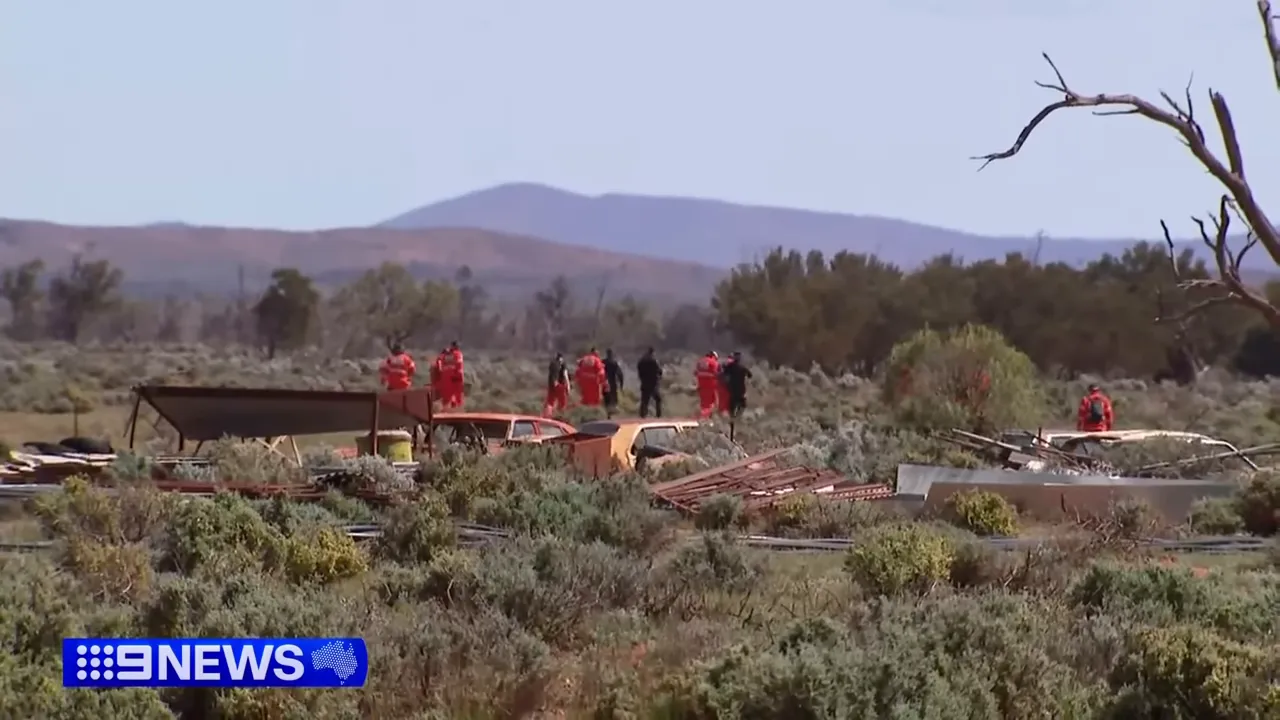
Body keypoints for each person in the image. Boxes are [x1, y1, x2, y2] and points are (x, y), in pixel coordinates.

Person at [720, 351, 753, 419]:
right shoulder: (742, 367)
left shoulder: (730, 367)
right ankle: (737, 416)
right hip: (741, 389)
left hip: (732, 389)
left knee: (732, 405)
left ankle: (732, 417)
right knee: (742, 405)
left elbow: (723, 373)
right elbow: (750, 375)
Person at [636, 347, 664, 418]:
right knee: (658, 399)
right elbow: (659, 371)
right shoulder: (654, 361)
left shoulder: (642, 361)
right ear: (653, 352)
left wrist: (641, 377)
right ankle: (658, 415)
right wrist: (659, 377)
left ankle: (642, 415)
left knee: (644, 400)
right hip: (653, 383)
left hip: (644, 382)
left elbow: (639, 369)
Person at [543, 352, 571, 417]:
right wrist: (568, 386)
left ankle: (547, 416)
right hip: (559, 385)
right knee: (562, 402)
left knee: (550, 402)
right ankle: (561, 415)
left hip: (551, 384)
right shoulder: (563, 364)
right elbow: (565, 375)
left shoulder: (552, 363)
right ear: (561, 358)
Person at [694, 351, 721, 419]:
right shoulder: (713, 362)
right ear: (713, 356)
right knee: (711, 403)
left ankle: (702, 416)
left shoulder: (700, 362)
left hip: (701, 385)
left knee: (703, 404)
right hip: (711, 385)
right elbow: (718, 373)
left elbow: (695, 372)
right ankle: (704, 417)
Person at [440, 341, 465, 408]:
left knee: (448, 394)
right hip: (457, 375)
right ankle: (458, 408)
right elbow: (459, 364)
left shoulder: (445, 354)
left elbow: (440, 363)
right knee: (458, 393)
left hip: (446, 376)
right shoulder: (458, 354)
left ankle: (448, 408)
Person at [603, 349, 624, 418]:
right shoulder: (614, 363)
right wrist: (621, 384)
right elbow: (620, 374)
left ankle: (607, 413)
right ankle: (612, 412)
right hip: (613, 382)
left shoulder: (603, 362)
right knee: (614, 398)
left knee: (606, 398)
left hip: (605, 382)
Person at [716, 351, 735, 415]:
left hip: (721, 383)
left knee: (722, 398)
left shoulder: (720, 361)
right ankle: (724, 411)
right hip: (725, 383)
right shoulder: (729, 363)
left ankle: (722, 410)